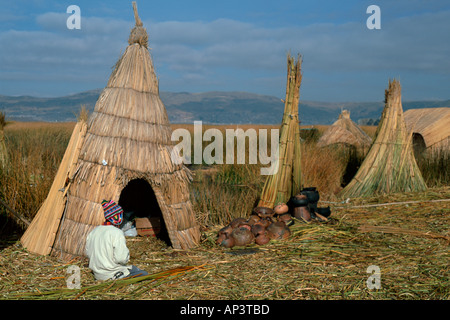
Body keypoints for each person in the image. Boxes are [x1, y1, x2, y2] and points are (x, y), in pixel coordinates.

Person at [85, 199, 148, 281]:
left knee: (134, 269)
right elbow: (121, 259)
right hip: (113, 274)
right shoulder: (116, 233)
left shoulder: (93, 232)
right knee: (144, 274)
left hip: (98, 275)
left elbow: (88, 253)